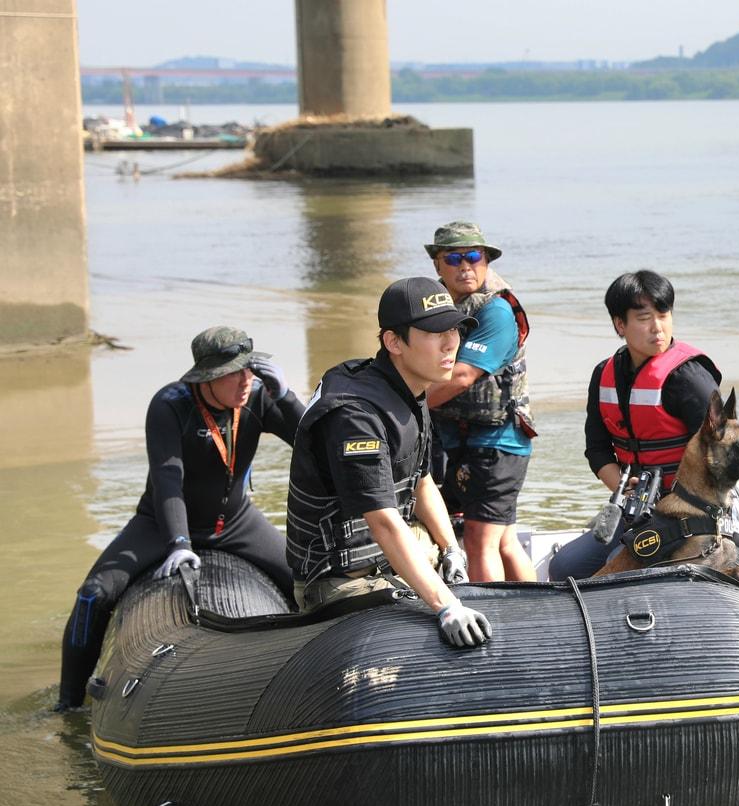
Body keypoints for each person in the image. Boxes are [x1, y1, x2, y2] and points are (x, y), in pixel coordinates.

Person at [56, 327, 304, 710]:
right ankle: (67, 704)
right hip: (160, 523)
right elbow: (167, 479)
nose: (246, 380)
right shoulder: (169, 405)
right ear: (207, 377)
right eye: (235, 372)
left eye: (250, 370)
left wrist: (286, 398)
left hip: (236, 521)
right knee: (94, 594)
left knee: (306, 579)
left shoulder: (257, 396)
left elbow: (315, 443)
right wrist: (180, 543)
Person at [284, 276, 491, 649]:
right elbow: (382, 520)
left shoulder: (410, 390)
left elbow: (422, 480)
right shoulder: (355, 415)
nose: (451, 343)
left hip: (390, 559)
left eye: (455, 329)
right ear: (393, 342)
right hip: (342, 581)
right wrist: (445, 605)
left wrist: (451, 551)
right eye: (433, 332)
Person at [549, 270, 739, 580]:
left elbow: (727, 452)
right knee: (565, 566)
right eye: (643, 318)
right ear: (620, 325)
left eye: (663, 314)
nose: (657, 327)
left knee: (621, 566)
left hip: (695, 512)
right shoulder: (604, 375)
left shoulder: (689, 379)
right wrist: (620, 485)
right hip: (641, 511)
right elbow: (597, 449)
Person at [423, 222, 536, 583]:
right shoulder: (435, 305)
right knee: (503, 541)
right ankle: (539, 612)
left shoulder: (497, 312)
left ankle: (494, 624)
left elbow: (461, 376)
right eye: (454, 258)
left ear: (486, 261)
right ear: (437, 265)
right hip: (460, 441)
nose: (465, 266)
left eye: (474, 256)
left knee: (479, 541)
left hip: (498, 442)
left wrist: (401, 403)